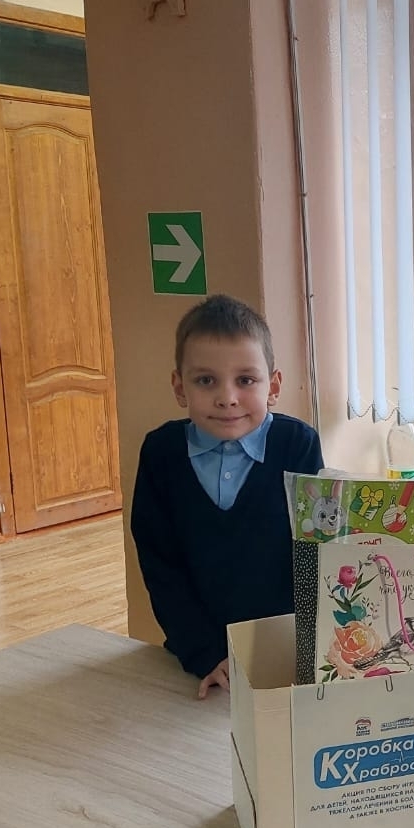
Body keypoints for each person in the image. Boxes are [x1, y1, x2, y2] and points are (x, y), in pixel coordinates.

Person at [131, 294, 322, 698]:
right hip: (199, 661)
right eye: (206, 381)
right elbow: (161, 565)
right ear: (179, 387)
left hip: (286, 659)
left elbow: (313, 556)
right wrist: (204, 653)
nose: (227, 397)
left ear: (273, 386)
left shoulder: (298, 445)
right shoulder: (161, 453)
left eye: (245, 380)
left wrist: (308, 650)